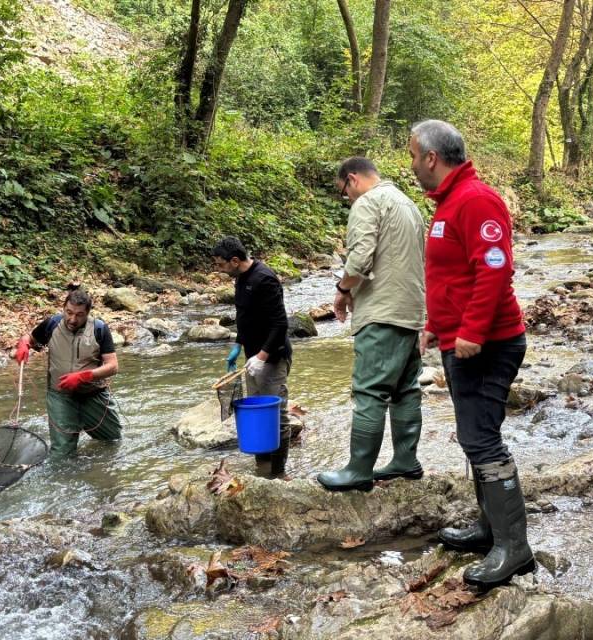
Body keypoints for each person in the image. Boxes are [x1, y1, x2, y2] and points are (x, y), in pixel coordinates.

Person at [409, 119, 533, 591]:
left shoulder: (476, 200)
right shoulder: (448, 204)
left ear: (431, 158)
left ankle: (514, 548)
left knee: (482, 440)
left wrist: (473, 332)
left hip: (489, 342)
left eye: (413, 156)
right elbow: (452, 278)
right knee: (472, 437)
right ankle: (489, 530)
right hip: (458, 338)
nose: (411, 164)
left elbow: (495, 270)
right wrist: (436, 326)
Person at [316, 157, 427, 492]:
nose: (346, 199)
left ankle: (358, 470)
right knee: (406, 389)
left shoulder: (368, 203)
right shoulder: (409, 204)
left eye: (343, 192)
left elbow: (361, 258)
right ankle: (406, 461)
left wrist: (342, 290)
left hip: (381, 311)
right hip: (411, 310)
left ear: (352, 180)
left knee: (370, 391)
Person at [213, 236, 294, 479]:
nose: (219, 269)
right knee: (258, 413)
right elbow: (245, 317)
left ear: (235, 260)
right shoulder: (240, 278)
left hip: (272, 357)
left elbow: (280, 324)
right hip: (253, 357)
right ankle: (263, 467)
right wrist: (238, 344)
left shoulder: (265, 279)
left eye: (221, 264)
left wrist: (262, 356)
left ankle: (279, 473)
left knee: (277, 416)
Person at [14, 284, 124, 460]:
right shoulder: (52, 324)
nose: (72, 319)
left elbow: (113, 366)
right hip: (60, 395)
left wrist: (83, 376)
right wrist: (23, 345)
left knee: (113, 440)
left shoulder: (99, 329)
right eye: (69, 312)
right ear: (64, 308)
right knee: (61, 454)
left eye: (79, 315)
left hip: (93, 394)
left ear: (87, 313)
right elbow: (30, 338)